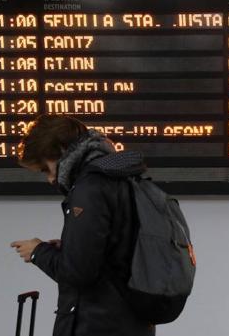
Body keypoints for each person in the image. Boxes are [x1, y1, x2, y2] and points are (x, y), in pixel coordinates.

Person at [10, 114, 155, 336]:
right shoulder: (123, 179)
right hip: (131, 320)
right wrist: (69, 246)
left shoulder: (89, 188)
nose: (50, 179)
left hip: (97, 324)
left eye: (45, 169)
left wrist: (38, 251)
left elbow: (79, 273)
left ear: (60, 149)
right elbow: (115, 250)